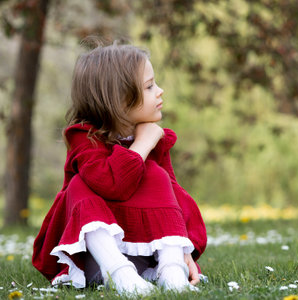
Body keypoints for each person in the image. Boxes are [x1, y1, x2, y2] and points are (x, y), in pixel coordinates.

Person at [32, 41, 207, 296]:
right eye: (149, 86)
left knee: (158, 176)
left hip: (145, 258)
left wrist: (182, 251)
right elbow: (113, 185)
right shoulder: (85, 139)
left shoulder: (155, 140)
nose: (160, 91)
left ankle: (171, 271)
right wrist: (143, 143)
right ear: (120, 99)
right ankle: (120, 275)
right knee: (81, 184)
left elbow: (175, 201)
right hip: (97, 260)